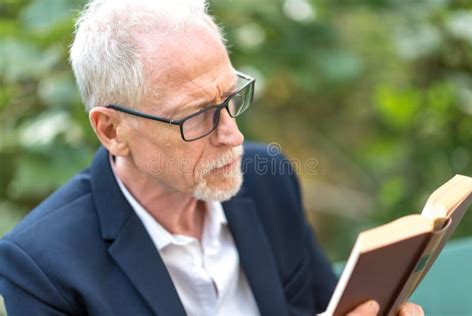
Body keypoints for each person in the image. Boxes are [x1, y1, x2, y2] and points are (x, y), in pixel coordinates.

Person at [0, 1, 424, 315]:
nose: (233, 136)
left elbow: (323, 306)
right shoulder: (41, 265)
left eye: (229, 97)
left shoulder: (268, 179)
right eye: (196, 115)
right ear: (112, 130)